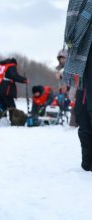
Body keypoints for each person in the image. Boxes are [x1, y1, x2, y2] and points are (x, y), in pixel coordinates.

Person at [63, 0, 92, 171]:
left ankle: (88, 162)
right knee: (83, 112)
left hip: (81, 59)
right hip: (83, 60)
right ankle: (87, 161)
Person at [0, 58, 28, 122]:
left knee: (3, 106)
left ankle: (1, 121)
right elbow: (14, 76)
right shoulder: (11, 66)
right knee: (11, 106)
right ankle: (13, 122)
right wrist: (24, 80)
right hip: (5, 90)